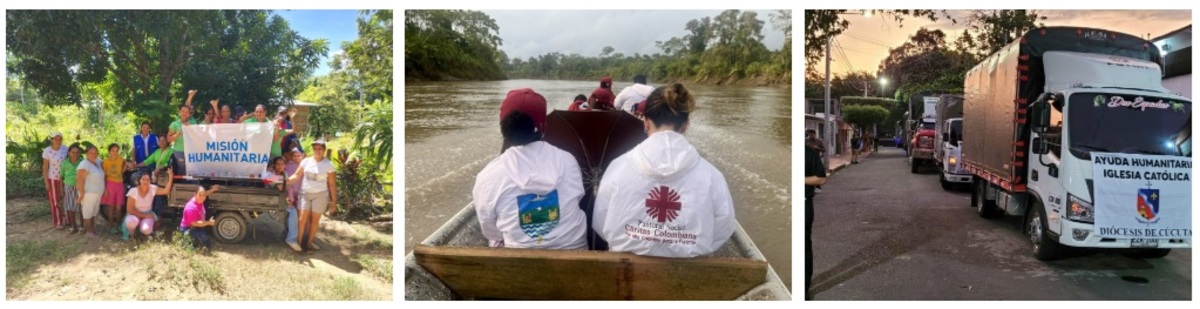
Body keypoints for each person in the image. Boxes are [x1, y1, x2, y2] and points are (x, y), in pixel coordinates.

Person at [592, 83, 735, 258]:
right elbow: (723, 227)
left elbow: (601, 222)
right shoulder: (711, 175)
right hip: (689, 275)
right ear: (685, 126)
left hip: (627, 275)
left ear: (645, 122)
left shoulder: (618, 166)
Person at [472, 88, 587, 249]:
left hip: (520, 265)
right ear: (545, 126)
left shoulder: (488, 175)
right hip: (575, 255)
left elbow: (490, 230)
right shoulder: (568, 160)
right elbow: (578, 197)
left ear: (503, 127)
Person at [286, 140, 338, 253]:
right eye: (315, 148)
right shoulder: (306, 161)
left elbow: (332, 184)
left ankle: (308, 244)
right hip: (305, 193)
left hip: (320, 195)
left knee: (314, 220)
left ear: (324, 150)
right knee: (302, 219)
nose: (317, 151)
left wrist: (334, 200)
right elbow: (296, 175)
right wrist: (284, 182)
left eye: (320, 149)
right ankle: (298, 243)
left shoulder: (329, 165)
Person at [804, 142, 827, 301]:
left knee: (804, 246)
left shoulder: (809, 153)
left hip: (804, 203)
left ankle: (804, 288)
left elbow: (821, 179)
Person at [124, 170, 174, 240]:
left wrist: (171, 176)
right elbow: (130, 210)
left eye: (148, 179)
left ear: (150, 181)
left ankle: (144, 232)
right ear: (139, 181)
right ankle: (132, 234)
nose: (145, 181)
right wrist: (145, 215)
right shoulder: (133, 191)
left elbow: (166, 191)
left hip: (147, 213)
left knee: (146, 230)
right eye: (143, 179)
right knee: (130, 221)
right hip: (135, 214)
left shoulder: (153, 188)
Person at [75, 145, 107, 237]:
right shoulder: (84, 164)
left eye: (96, 152)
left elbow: (108, 162)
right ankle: (89, 231)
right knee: (87, 212)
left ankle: (92, 229)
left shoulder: (97, 161)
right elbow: (79, 179)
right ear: (86, 154)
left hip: (97, 192)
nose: (94, 154)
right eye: (91, 153)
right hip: (88, 193)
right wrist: (81, 194)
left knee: (94, 211)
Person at [180, 184, 221, 251]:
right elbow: (194, 223)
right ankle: (187, 243)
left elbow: (204, 193)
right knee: (204, 237)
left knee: (204, 237)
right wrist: (208, 222)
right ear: (195, 194)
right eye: (200, 195)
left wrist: (212, 190)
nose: (202, 197)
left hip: (195, 227)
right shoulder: (191, 207)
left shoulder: (199, 200)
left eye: (204, 195)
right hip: (187, 229)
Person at [43, 132, 69, 230]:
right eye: (56, 139)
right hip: (52, 178)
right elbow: (45, 167)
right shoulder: (47, 151)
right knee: (55, 201)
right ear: (52, 139)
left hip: (65, 178)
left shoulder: (66, 149)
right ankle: (58, 221)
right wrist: (46, 182)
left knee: (66, 199)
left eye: (60, 139)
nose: (58, 141)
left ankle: (68, 219)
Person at [102, 144, 129, 233]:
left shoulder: (120, 159)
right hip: (109, 184)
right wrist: (104, 189)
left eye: (117, 150)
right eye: (113, 150)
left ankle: (118, 225)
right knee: (111, 207)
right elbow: (103, 176)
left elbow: (126, 163)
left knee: (119, 208)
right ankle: (111, 226)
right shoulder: (105, 161)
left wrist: (124, 169)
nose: (115, 152)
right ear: (109, 151)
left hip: (120, 184)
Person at [283, 148, 304, 252]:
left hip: (303, 195)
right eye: (294, 156)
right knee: (293, 213)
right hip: (289, 196)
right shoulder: (287, 166)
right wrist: (291, 197)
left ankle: (304, 238)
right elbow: (288, 183)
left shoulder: (306, 166)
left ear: (302, 155)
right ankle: (291, 238)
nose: (296, 158)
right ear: (291, 157)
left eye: (298, 155)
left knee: (305, 215)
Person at [60, 144, 84, 234]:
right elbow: (61, 177)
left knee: (81, 206)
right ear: (69, 153)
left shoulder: (83, 162)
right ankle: (73, 226)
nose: (75, 154)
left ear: (80, 153)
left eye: (77, 152)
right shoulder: (65, 163)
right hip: (69, 186)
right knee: (70, 207)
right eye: (73, 152)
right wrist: (61, 189)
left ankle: (81, 226)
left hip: (80, 186)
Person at [168, 104, 197, 175]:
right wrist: (179, 133)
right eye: (183, 111)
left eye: (187, 112)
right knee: (181, 170)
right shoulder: (174, 124)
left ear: (189, 114)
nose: (185, 113)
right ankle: (182, 184)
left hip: (191, 152)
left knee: (192, 170)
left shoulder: (193, 123)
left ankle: (192, 185)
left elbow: (197, 136)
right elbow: (169, 139)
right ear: (179, 112)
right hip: (179, 152)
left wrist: (191, 128)